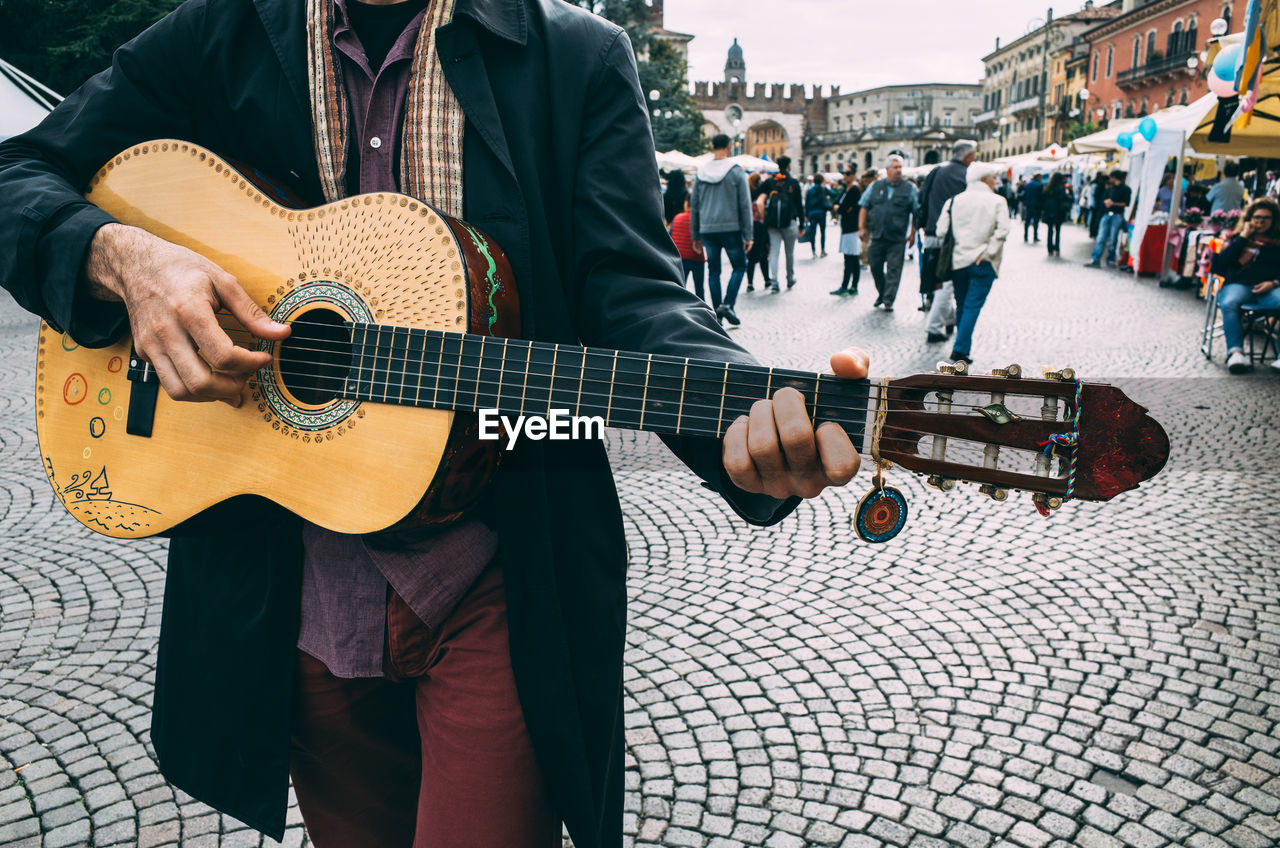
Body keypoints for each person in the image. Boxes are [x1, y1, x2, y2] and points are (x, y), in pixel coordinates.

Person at [0, 2, 871, 846]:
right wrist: (123, 257)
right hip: (295, 582)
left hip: (500, 561)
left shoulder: (573, 57)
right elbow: (17, 177)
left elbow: (633, 291)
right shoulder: (222, 33)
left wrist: (743, 407)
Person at [937, 162, 1011, 365]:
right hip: (983, 261)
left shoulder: (954, 201)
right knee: (972, 306)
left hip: (959, 260)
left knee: (963, 304)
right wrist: (989, 252)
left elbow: (941, 230)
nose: (995, 181)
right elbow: (1003, 230)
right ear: (985, 179)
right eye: (993, 178)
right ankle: (960, 349)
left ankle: (962, 348)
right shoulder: (998, 201)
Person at [690, 133, 753, 325]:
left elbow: (695, 205)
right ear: (728, 146)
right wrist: (749, 234)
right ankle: (727, 304)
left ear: (712, 145)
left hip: (707, 229)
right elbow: (745, 204)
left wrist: (695, 234)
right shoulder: (735, 170)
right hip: (731, 227)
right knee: (740, 266)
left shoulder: (701, 172)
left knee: (713, 271)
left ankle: (717, 311)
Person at [1211, 197, 1280, 373]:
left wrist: (1273, 283)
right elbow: (1219, 266)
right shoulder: (1237, 238)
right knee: (1229, 302)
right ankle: (1235, 353)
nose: (1260, 221)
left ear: (1274, 221)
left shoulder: (1277, 242)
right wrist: (1243, 237)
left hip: (1269, 288)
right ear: (1250, 218)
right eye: (1257, 217)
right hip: (1238, 285)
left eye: (1266, 218)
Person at [920, 140, 975, 338]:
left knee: (937, 280)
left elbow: (923, 198)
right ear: (968, 156)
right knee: (946, 283)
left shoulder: (936, 171)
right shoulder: (966, 176)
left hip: (930, 233)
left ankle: (949, 319)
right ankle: (934, 327)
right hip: (950, 238)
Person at [859, 154, 918, 311]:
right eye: (895, 167)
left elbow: (916, 212)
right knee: (874, 265)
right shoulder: (875, 186)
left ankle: (888, 299)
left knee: (894, 269)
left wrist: (913, 233)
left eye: (900, 167)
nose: (898, 171)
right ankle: (883, 292)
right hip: (878, 234)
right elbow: (864, 206)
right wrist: (861, 227)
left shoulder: (909, 188)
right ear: (887, 170)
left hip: (897, 236)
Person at [762, 155, 805, 291]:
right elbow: (799, 205)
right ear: (788, 165)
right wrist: (802, 224)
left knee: (774, 252)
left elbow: (756, 195)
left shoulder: (770, 181)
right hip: (790, 221)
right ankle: (790, 278)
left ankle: (774, 281)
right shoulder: (793, 182)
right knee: (789, 253)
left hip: (772, 223)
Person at [1085, 170, 1131, 268]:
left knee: (1113, 238)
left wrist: (1114, 203)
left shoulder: (1126, 189)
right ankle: (1095, 258)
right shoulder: (1109, 189)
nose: (1110, 179)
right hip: (1106, 214)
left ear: (1114, 177)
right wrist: (1106, 203)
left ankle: (1110, 259)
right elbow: (1103, 200)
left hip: (1117, 215)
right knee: (1101, 237)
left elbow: (1126, 203)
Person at [831, 168, 863, 295]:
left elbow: (842, 208)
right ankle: (852, 286)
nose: (845, 176)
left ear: (854, 175)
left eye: (848, 173)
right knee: (852, 257)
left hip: (852, 227)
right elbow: (838, 204)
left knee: (850, 258)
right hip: (846, 227)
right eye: (844, 173)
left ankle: (847, 286)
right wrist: (840, 207)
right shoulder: (846, 189)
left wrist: (840, 208)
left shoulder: (854, 190)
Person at [669, 199, 706, 301]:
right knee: (699, 289)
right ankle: (702, 311)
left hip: (681, 259)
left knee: (681, 288)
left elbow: (669, 236)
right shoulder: (700, 219)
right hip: (697, 258)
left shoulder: (677, 217)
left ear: (686, 203)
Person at [745, 171, 771, 292]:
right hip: (759, 226)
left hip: (749, 227)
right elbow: (760, 204)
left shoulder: (746, 194)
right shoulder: (760, 194)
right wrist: (763, 217)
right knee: (763, 254)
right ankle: (767, 280)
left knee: (751, 257)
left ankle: (750, 283)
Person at [1040, 172, 1072, 257]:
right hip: (1058, 212)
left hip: (1049, 211)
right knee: (1057, 230)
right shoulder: (1061, 188)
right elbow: (1063, 198)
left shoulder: (1048, 187)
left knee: (1050, 230)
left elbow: (1042, 198)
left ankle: (1050, 248)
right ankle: (1057, 247)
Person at [804, 172, 833, 257]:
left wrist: (806, 215)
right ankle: (822, 250)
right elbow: (833, 194)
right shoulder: (823, 188)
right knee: (822, 232)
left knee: (813, 232)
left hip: (812, 213)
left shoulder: (810, 190)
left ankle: (813, 251)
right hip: (821, 213)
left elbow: (807, 203)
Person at [1020, 172, 1044, 242]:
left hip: (1028, 206)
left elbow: (1025, 195)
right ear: (1038, 178)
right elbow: (1041, 197)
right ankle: (1035, 236)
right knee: (1036, 222)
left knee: (1027, 222)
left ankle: (1025, 236)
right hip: (1037, 206)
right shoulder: (1040, 185)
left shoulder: (1028, 185)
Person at [1089, 172, 1108, 239]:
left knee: (1093, 219)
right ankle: (1094, 233)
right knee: (1096, 219)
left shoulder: (1094, 184)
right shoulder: (1100, 186)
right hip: (1097, 205)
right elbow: (1097, 196)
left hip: (1094, 204)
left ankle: (1092, 233)